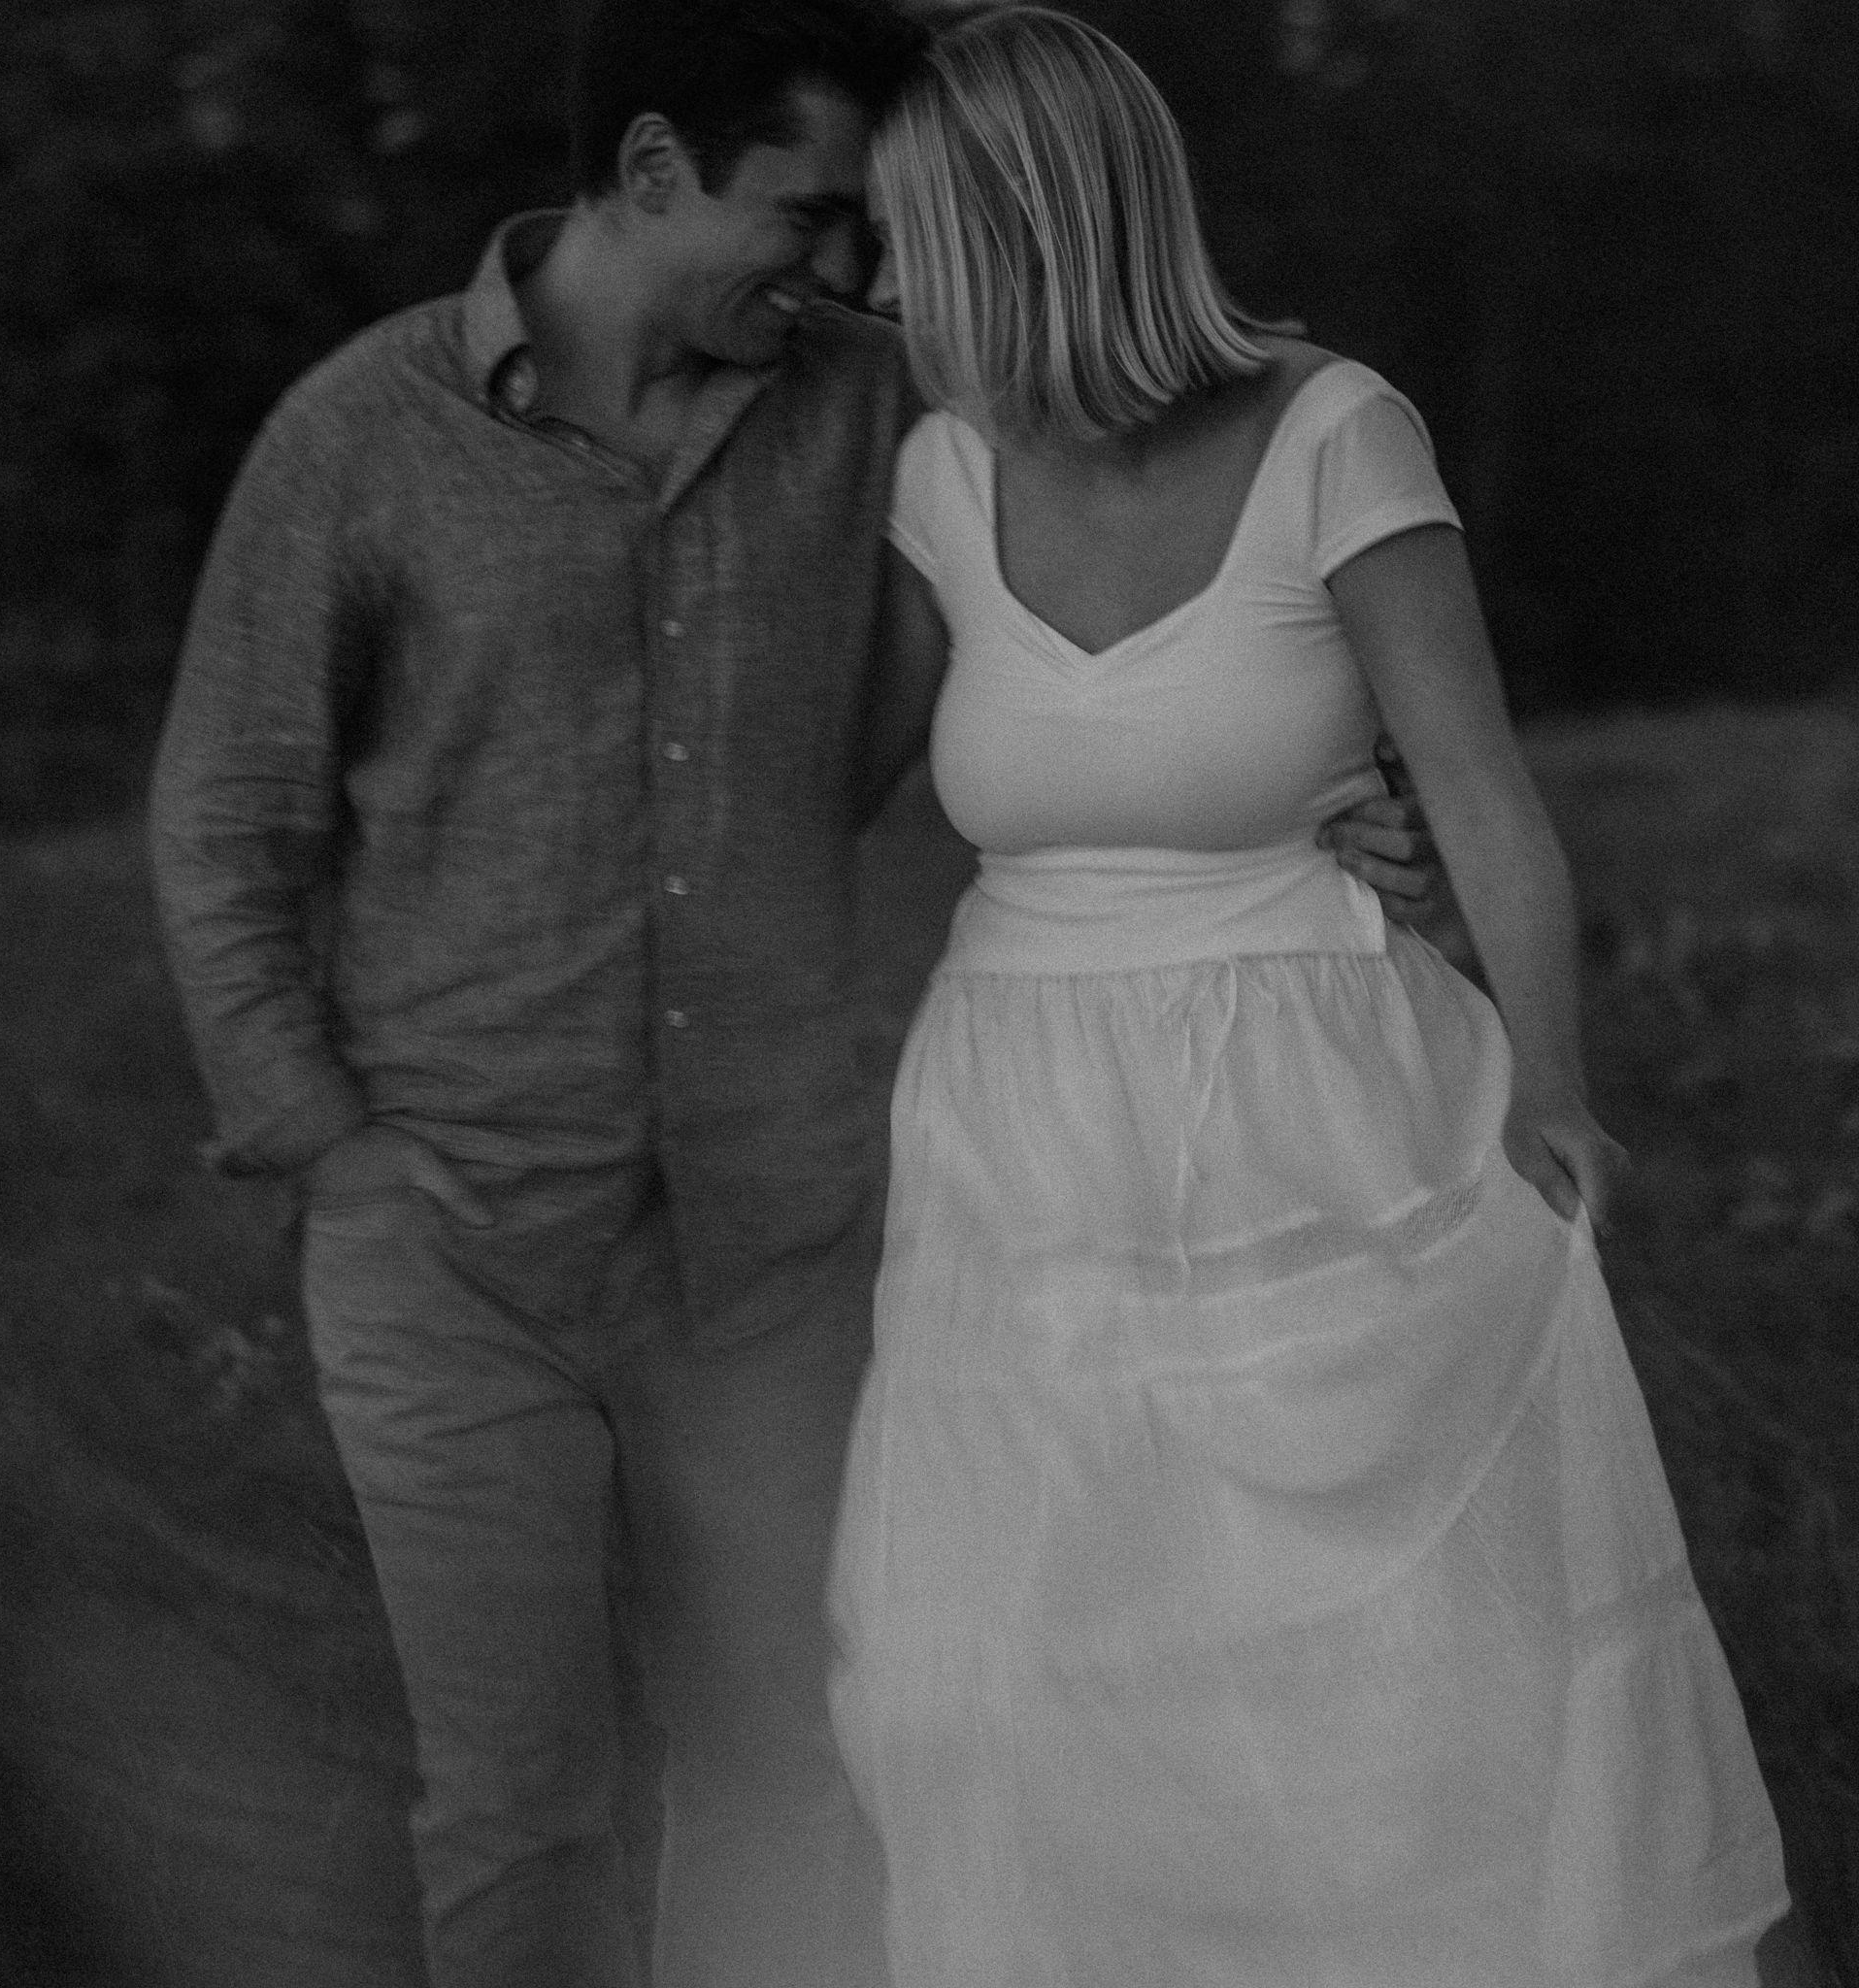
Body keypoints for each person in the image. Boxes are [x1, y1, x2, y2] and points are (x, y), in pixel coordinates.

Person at [148, 2, 1440, 1982]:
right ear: (654, 167)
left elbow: (1153, 539)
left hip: (768, 1246)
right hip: (453, 1251)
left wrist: (1335, 782)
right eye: (809, 214)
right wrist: (330, 1145)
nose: (847, 269)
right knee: (517, 1805)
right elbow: (226, 820)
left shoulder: (883, 407)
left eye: (866, 229)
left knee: (800, 1767)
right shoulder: (361, 435)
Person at [825, 12, 1792, 1986]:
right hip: (1017, 1136)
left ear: (1019, 233)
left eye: (906, 236)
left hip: (1315, 1098)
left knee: (1389, 1669)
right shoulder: (932, 473)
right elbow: (809, 790)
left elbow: (1483, 793)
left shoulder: (1334, 433)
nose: (882, 285)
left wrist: (1553, 1080)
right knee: (1040, 1659)